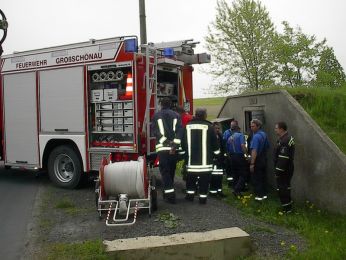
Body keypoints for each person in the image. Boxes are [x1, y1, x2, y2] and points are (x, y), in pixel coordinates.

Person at [181, 108, 220, 204]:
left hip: (191, 163)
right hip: (205, 164)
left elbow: (183, 143)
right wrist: (218, 155)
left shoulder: (187, 126)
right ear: (204, 115)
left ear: (196, 114)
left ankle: (190, 196)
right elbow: (215, 144)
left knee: (190, 180)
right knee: (204, 182)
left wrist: (185, 155)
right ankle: (202, 199)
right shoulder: (209, 127)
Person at [152, 97, 182, 204]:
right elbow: (179, 132)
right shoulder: (177, 115)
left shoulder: (156, 116)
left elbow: (155, 132)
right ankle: (167, 192)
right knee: (171, 171)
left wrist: (166, 142)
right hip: (173, 149)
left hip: (162, 149)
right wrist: (174, 145)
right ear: (170, 105)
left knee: (165, 172)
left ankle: (170, 195)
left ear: (160, 104)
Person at [273, 122, 295, 213]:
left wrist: (278, 171)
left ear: (281, 129)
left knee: (283, 189)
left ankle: (287, 209)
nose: (275, 130)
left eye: (276, 128)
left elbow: (283, 158)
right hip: (287, 169)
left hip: (284, 170)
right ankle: (288, 206)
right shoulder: (285, 139)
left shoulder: (285, 140)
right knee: (286, 187)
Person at [249, 119, 269, 201]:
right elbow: (267, 146)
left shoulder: (256, 136)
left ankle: (259, 197)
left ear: (258, 126)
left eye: (253, 126)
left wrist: (252, 163)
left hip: (257, 159)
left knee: (257, 178)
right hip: (264, 158)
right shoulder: (264, 134)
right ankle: (264, 195)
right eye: (251, 126)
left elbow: (254, 151)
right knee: (263, 177)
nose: (251, 128)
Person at [227, 124, 248, 197]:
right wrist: (246, 155)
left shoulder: (229, 138)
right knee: (244, 174)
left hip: (232, 156)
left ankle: (235, 188)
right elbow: (242, 146)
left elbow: (228, 149)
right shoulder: (240, 135)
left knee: (235, 173)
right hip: (239, 156)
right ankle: (237, 189)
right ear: (238, 129)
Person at [209, 122, 226, 197]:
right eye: (216, 128)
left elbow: (223, 147)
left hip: (220, 160)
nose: (217, 130)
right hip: (213, 159)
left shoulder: (220, 136)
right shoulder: (210, 137)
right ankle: (213, 192)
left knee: (219, 176)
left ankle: (219, 191)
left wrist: (224, 156)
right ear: (212, 129)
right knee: (214, 177)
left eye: (218, 128)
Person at [223, 120, 239, 187]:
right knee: (229, 168)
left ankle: (235, 181)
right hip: (229, 153)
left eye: (234, 125)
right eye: (231, 125)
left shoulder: (238, 132)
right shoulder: (227, 132)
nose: (232, 126)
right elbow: (224, 142)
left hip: (236, 153)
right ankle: (230, 182)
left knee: (235, 168)